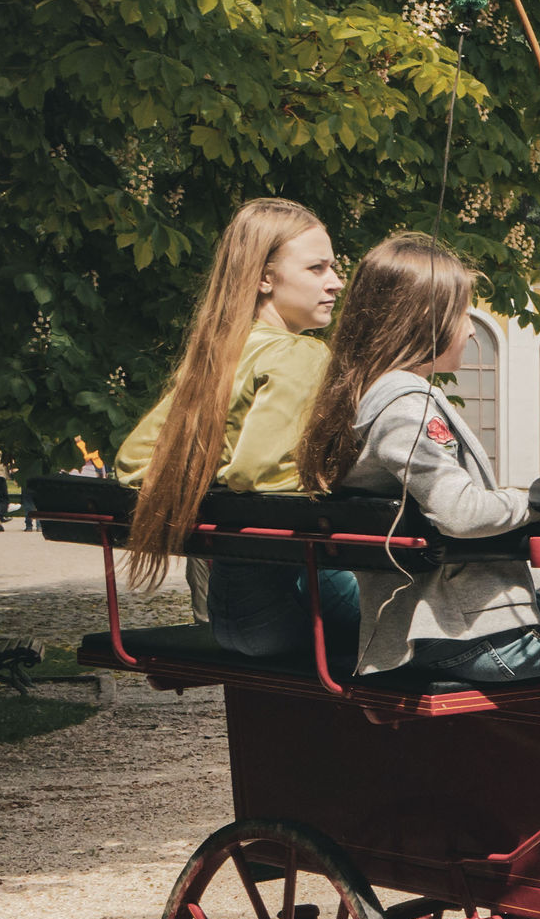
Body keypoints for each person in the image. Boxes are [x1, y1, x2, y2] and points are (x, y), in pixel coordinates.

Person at [300, 235, 540, 684]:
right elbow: (459, 512)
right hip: (465, 633)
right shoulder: (404, 404)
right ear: (426, 318)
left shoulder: (362, 396)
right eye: (464, 312)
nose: (469, 328)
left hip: (449, 629)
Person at [115, 200, 358, 659]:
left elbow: (133, 463)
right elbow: (259, 473)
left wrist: (211, 471)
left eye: (334, 267)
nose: (336, 281)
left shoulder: (220, 354)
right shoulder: (302, 354)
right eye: (316, 268)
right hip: (293, 608)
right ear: (265, 278)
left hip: (227, 614)